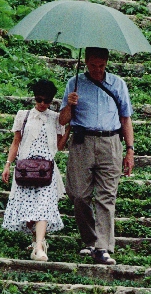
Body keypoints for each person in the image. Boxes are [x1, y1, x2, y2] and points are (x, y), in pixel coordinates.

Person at [58, 47, 135, 267]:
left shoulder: (118, 84)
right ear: (86, 63)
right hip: (82, 141)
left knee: (106, 196)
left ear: (106, 63)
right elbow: (62, 120)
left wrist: (130, 150)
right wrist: (70, 105)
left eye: (101, 66)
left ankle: (103, 247)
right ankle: (90, 239)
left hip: (110, 142)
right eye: (93, 65)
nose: (97, 70)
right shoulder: (74, 84)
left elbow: (125, 118)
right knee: (78, 195)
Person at [1, 79, 66, 262]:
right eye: (39, 100)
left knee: (44, 206)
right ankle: (38, 242)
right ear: (34, 98)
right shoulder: (24, 115)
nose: (43, 104)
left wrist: (69, 129)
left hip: (45, 169)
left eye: (47, 101)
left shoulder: (55, 118)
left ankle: (38, 248)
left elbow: (60, 146)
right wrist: (7, 164)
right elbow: (16, 142)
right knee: (28, 209)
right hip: (25, 168)